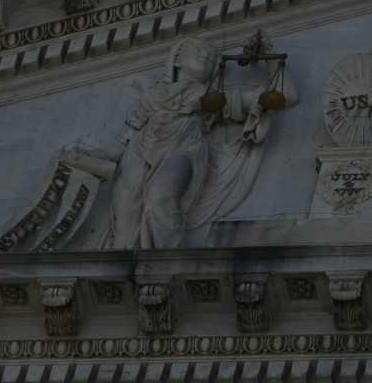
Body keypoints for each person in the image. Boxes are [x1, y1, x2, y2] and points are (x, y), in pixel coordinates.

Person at [102, 36, 293, 248]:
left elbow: (286, 97)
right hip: (138, 153)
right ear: (176, 59)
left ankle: (162, 268)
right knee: (126, 219)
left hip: (182, 150)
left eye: (212, 55)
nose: (206, 54)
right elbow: (123, 142)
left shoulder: (213, 97)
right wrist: (88, 156)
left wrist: (269, 54)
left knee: (159, 201)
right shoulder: (152, 96)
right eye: (196, 49)